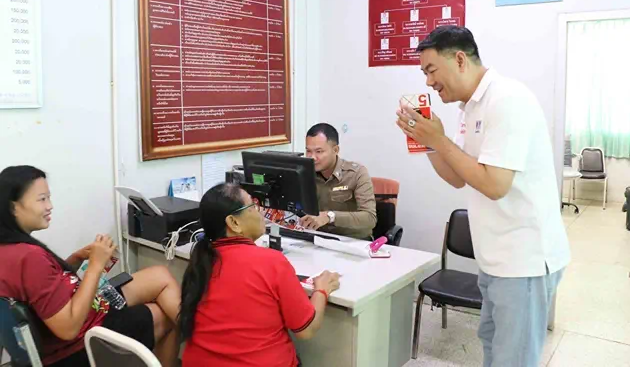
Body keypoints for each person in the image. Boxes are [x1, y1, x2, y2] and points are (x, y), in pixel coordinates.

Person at [396, 26, 570, 367]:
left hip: (524, 260)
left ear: (460, 59)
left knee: (513, 359)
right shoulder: (469, 107)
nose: (428, 82)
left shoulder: (507, 100)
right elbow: (457, 177)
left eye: (431, 70)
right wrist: (425, 142)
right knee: (494, 348)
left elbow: (494, 184)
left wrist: (440, 140)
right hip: (495, 260)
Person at [0, 166, 181, 367]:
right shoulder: (30, 257)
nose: (50, 206)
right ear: (13, 207)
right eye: (42, 199)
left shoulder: (9, 248)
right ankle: (203, 345)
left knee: (159, 275)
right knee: (165, 315)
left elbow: (41, 287)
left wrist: (75, 259)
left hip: (86, 311)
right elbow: (68, 329)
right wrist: (95, 265)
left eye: (48, 198)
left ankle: (203, 340)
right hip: (79, 342)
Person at [179, 183, 340, 367]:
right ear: (234, 223)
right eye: (253, 206)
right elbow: (307, 329)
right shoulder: (270, 262)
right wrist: (322, 290)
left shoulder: (201, 261)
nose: (261, 211)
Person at [300, 123, 377, 239]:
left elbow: (370, 218)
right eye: (309, 151)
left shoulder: (356, 173)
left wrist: (330, 216)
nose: (312, 157)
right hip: (318, 238)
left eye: (319, 151)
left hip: (353, 241)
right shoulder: (304, 173)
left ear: (335, 150)